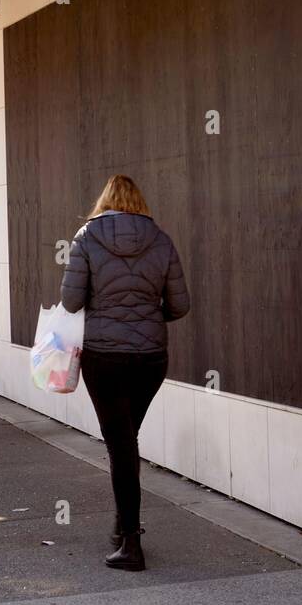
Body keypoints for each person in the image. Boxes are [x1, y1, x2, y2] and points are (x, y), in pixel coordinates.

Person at [61, 174, 189, 571]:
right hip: (151, 357)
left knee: (120, 443)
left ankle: (131, 543)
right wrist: (150, 316)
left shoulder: (86, 238)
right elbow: (180, 306)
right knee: (126, 439)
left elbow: (70, 302)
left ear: (105, 201)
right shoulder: (161, 240)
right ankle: (122, 527)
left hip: (105, 356)